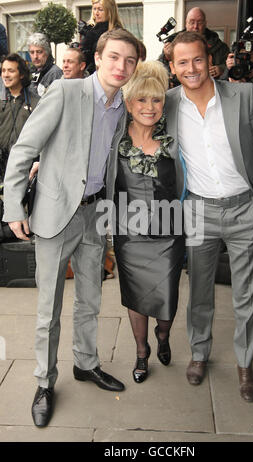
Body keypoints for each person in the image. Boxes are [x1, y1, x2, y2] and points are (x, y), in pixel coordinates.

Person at [3, 28, 140, 428]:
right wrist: (14, 208)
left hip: (95, 215)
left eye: (129, 60)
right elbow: (24, 150)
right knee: (49, 309)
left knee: (91, 301)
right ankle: (44, 382)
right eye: (114, 57)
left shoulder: (121, 106)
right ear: (98, 58)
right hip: (55, 215)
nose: (121, 66)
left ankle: (86, 363)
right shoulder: (66, 92)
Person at [165, 31, 253, 402]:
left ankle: (244, 363)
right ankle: (199, 353)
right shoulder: (166, 105)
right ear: (173, 66)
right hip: (198, 210)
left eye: (197, 59)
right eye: (182, 62)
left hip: (245, 207)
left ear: (209, 59)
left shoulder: (243, 96)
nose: (191, 68)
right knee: (199, 290)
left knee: (247, 292)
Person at [107, 61, 185, 383]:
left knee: (167, 302)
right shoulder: (114, 139)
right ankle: (142, 353)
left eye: (156, 100)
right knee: (136, 298)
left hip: (169, 234)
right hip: (129, 235)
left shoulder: (175, 138)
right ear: (129, 103)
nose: (149, 107)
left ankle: (163, 336)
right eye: (141, 100)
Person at [158, 7, 229, 86]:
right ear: (186, 23)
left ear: (205, 23)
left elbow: (232, 68)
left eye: (199, 22)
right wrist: (167, 57)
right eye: (192, 22)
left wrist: (221, 69)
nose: (195, 26)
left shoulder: (219, 46)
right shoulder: (173, 43)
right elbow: (160, 69)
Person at [0, 54, 39, 183]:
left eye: (11, 71)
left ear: (21, 74)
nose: (5, 75)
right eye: (3, 70)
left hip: (25, 169)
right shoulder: (2, 102)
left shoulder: (36, 103)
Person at [80, 0, 123, 74]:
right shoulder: (91, 30)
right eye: (94, 9)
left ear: (109, 11)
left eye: (100, 9)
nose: (96, 13)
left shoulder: (117, 32)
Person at [27, 32, 63, 97]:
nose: (35, 56)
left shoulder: (55, 73)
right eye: (32, 52)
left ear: (47, 52)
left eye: (39, 52)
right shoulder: (32, 71)